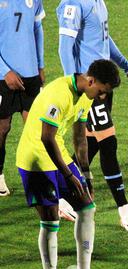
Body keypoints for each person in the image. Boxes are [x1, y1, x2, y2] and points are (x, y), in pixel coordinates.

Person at [16, 59, 121, 269]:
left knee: (87, 207)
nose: (102, 97)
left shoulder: (86, 95)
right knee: (51, 219)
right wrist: (67, 174)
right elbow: (46, 137)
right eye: (102, 91)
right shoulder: (58, 94)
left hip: (58, 153)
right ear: (91, 80)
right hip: (35, 159)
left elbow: (79, 135)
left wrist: (84, 172)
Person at [56, 0, 128, 232]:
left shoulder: (98, 2)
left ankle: (60, 192)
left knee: (92, 142)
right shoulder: (73, 4)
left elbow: (105, 38)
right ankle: (124, 209)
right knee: (108, 142)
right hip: (88, 87)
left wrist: (127, 66)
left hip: (102, 86)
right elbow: (65, 47)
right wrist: (73, 85)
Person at [0, 0, 45, 196]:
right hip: (2, 78)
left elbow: (38, 29)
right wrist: (4, 71)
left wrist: (40, 65)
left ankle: (36, 179)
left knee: (35, 129)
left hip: (30, 74)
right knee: (2, 129)